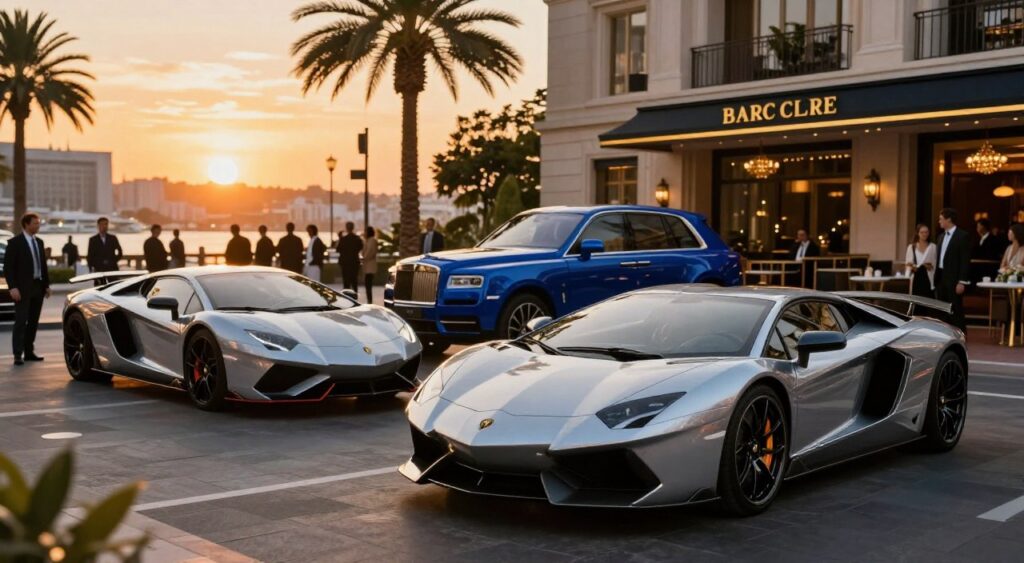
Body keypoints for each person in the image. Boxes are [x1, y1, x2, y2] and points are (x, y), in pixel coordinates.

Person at [3, 213, 50, 366]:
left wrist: (47, 285)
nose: (38, 226)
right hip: (22, 289)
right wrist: (13, 287)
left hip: (38, 287)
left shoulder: (40, 242)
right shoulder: (14, 243)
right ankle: (18, 354)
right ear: (26, 224)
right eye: (35, 223)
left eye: (38, 223)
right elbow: (8, 268)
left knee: (33, 322)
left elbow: (43, 265)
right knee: (21, 321)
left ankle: (29, 352)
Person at [935, 208, 972, 331]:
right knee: (942, 308)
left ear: (949, 219)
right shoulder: (940, 237)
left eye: (941, 219)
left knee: (955, 308)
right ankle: (945, 334)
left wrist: (962, 281)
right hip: (941, 277)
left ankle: (961, 334)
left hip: (954, 279)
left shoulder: (962, 236)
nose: (939, 221)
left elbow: (964, 260)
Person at [904, 224, 937, 298]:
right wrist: (912, 267)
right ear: (918, 233)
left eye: (926, 232)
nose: (925, 234)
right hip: (916, 278)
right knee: (917, 301)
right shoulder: (911, 247)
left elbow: (935, 264)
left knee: (928, 301)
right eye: (922, 232)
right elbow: (908, 264)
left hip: (928, 278)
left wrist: (929, 266)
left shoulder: (933, 247)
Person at [337, 221, 363, 296]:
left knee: (346, 282)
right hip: (354, 262)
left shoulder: (343, 239)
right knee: (354, 281)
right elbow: (360, 247)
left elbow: (338, 249)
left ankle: (346, 297)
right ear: (353, 228)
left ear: (346, 228)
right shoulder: (357, 239)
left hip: (345, 263)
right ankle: (355, 296)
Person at [362, 226, 379, 304]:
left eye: (365, 231)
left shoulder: (372, 240)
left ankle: (370, 300)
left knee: (368, 284)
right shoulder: (367, 240)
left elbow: (370, 252)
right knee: (367, 284)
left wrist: (364, 258)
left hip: (370, 266)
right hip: (367, 266)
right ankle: (369, 300)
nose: (364, 233)